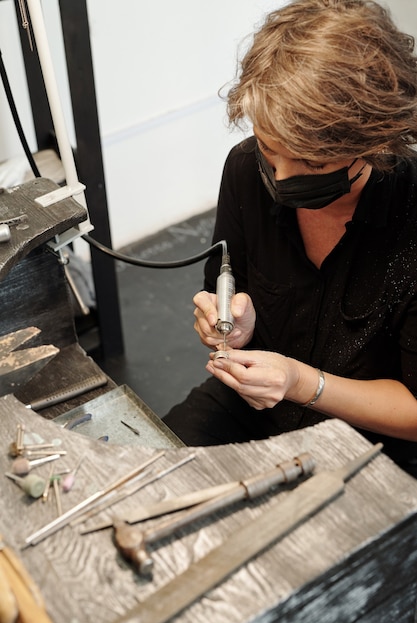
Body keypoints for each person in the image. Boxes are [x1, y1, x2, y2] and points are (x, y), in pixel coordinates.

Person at [163, 0, 417, 471]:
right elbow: (227, 283)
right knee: (146, 470)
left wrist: (303, 383)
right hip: (255, 403)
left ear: (376, 142)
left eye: (313, 163)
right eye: (269, 148)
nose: (280, 180)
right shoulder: (244, 169)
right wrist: (234, 322)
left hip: (375, 441)